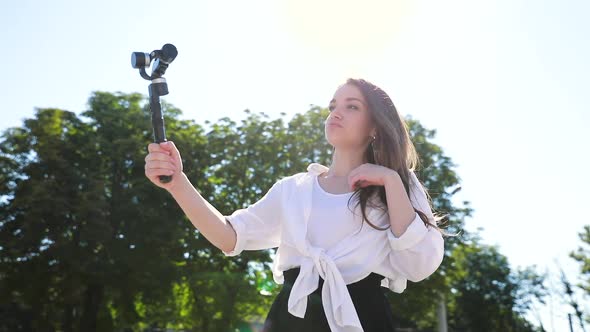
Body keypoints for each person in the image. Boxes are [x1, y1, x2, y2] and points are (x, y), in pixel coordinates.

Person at [144, 78, 448, 332]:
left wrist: (391, 181)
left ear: (375, 127)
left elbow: (418, 266)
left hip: (363, 319)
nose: (335, 113)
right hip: (291, 318)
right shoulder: (293, 189)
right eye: (332, 106)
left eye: (351, 106)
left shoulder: (397, 184)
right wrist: (178, 182)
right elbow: (230, 236)